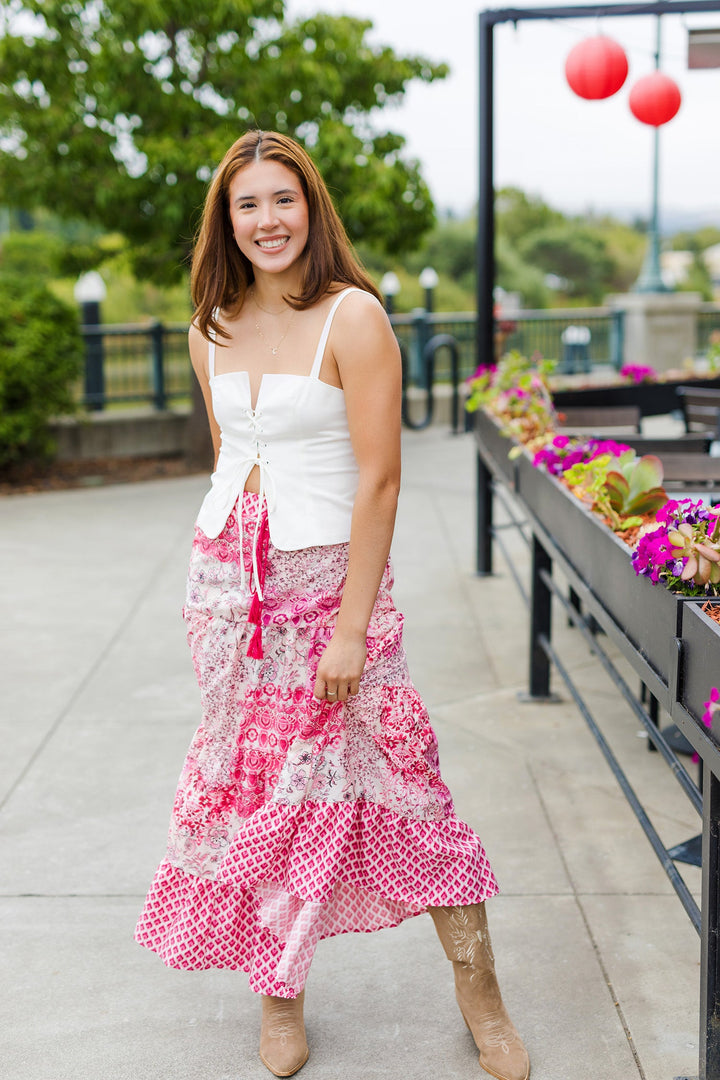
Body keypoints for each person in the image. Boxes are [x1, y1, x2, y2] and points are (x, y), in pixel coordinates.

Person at [135, 130, 529, 1080]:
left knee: (411, 786)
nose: (267, 220)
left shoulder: (354, 318)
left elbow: (381, 481)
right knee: (264, 799)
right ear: (224, 223)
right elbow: (235, 456)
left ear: (310, 208)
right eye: (247, 205)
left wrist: (352, 625)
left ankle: (486, 1006)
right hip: (230, 594)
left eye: (283, 200)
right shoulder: (209, 327)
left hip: (333, 591)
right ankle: (279, 1001)